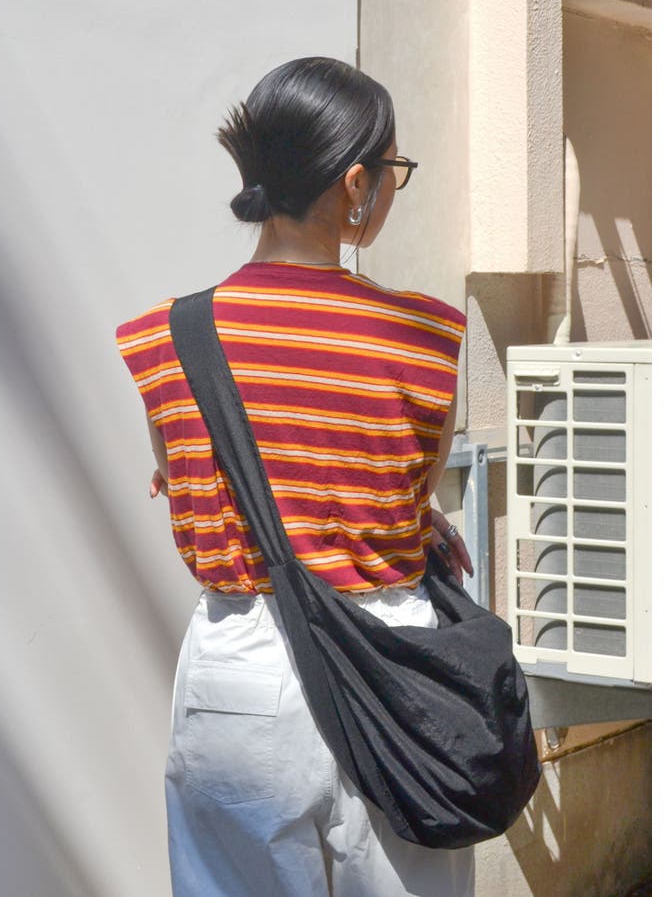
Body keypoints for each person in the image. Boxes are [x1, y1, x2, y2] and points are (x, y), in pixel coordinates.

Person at [116, 56, 474, 897]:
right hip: (394, 668)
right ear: (354, 183)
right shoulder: (428, 338)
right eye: (393, 170)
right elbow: (411, 493)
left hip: (237, 670)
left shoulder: (165, 338)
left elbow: (182, 480)